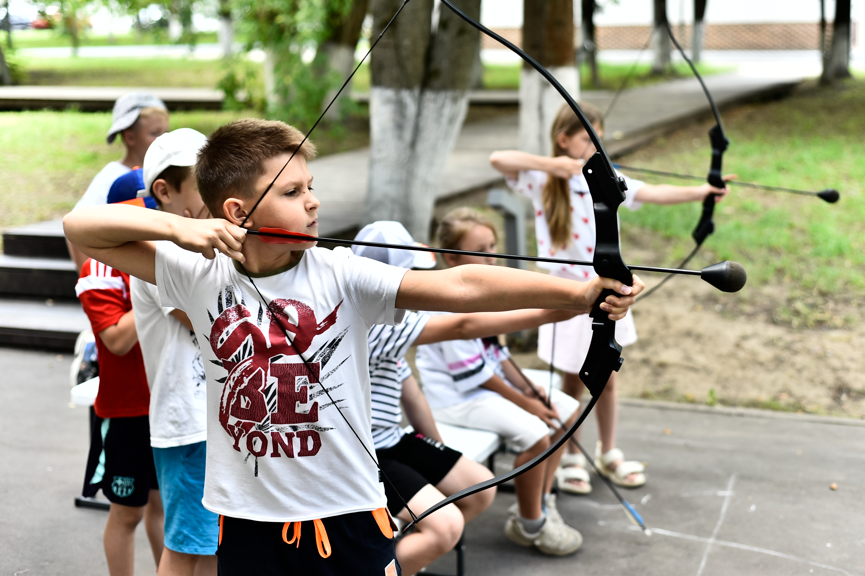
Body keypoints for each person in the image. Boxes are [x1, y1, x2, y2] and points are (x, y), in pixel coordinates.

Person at [63, 118, 643, 576]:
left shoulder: (342, 273)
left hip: (345, 516)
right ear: (237, 212)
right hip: (245, 518)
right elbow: (79, 228)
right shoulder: (196, 274)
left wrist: (581, 293)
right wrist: (176, 228)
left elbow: (462, 285)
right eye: (292, 191)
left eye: (310, 187)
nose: (312, 201)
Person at [489, 101, 732, 496]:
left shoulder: (608, 178)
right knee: (570, 379)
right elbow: (499, 159)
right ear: (563, 140)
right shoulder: (541, 179)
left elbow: (652, 191)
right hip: (565, 293)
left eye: (597, 138)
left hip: (606, 288)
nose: (594, 146)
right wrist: (555, 166)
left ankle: (608, 449)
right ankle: (568, 457)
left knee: (607, 377)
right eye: (586, 138)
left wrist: (702, 190)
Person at [353, 221, 578, 574]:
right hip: (369, 452)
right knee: (445, 528)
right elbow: (463, 326)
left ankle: (402, 553)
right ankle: (387, 562)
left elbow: (410, 392)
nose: (414, 279)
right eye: (408, 272)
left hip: (393, 439)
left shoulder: (390, 322)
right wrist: (564, 307)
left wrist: (439, 453)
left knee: (479, 489)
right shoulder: (371, 322)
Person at [415, 208, 586, 557]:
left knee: (567, 411)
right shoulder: (445, 301)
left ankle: (542, 497)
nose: (491, 257)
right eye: (481, 249)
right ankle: (530, 522)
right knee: (537, 434)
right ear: (451, 257)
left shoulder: (484, 294)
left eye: (493, 246)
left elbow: (497, 353)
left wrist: (527, 387)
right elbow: (475, 374)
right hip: (456, 398)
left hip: (482, 387)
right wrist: (527, 403)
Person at [130, 129, 218, 576]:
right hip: (188, 428)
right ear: (164, 192)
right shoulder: (157, 253)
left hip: (213, 425)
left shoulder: (201, 250)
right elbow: (207, 316)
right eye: (205, 185)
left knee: (213, 548)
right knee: (186, 548)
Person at [76, 170, 164, 576]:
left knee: (166, 508)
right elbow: (116, 340)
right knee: (127, 512)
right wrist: (159, 287)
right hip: (127, 408)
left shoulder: (168, 255)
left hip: (171, 402)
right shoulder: (100, 267)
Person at [68, 91, 169, 271]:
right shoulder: (112, 176)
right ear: (129, 137)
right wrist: (90, 280)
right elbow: (75, 228)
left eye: (166, 133)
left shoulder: (163, 174)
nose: (163, 140)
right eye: (155, 133)